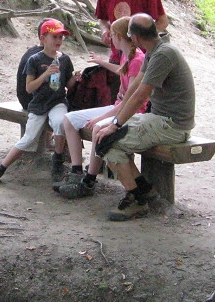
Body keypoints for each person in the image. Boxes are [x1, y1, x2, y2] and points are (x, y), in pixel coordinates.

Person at [87, 14, 195, 221]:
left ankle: (136, 200)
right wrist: (115, 119)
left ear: (135, 37)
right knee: (104, 133)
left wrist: (116, 124)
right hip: (159, 119)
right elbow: (133, 90)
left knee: (107, 143)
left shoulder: (163, 54)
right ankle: (144, 189)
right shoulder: (155, 50)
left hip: (172, 125)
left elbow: (140, 96)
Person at [56, 16, 148, 194]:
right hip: (117, 106)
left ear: (120, 36)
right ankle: (76, 170)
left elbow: (131, 102)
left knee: (97, 127)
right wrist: (101, 62)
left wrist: (100, 118)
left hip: (131, 112)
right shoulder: (126, 55)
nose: (110, 38)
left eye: (112, 34)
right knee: (69, 119)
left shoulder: (137, 59)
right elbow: (122, 71)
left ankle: (89, 180)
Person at [0, 19, 79, 185]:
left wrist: (75, 79)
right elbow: (29, 88)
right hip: (39, 104)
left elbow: (66, 85)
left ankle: (57, 161)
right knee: (29, 138)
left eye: (61, 38)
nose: (58, 41)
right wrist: (45, 74)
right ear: (43, 39)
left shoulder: (65, 59)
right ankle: (0, 168)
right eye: (54, 37)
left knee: (60, 124)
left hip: (57, 101)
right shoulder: (34, 60)